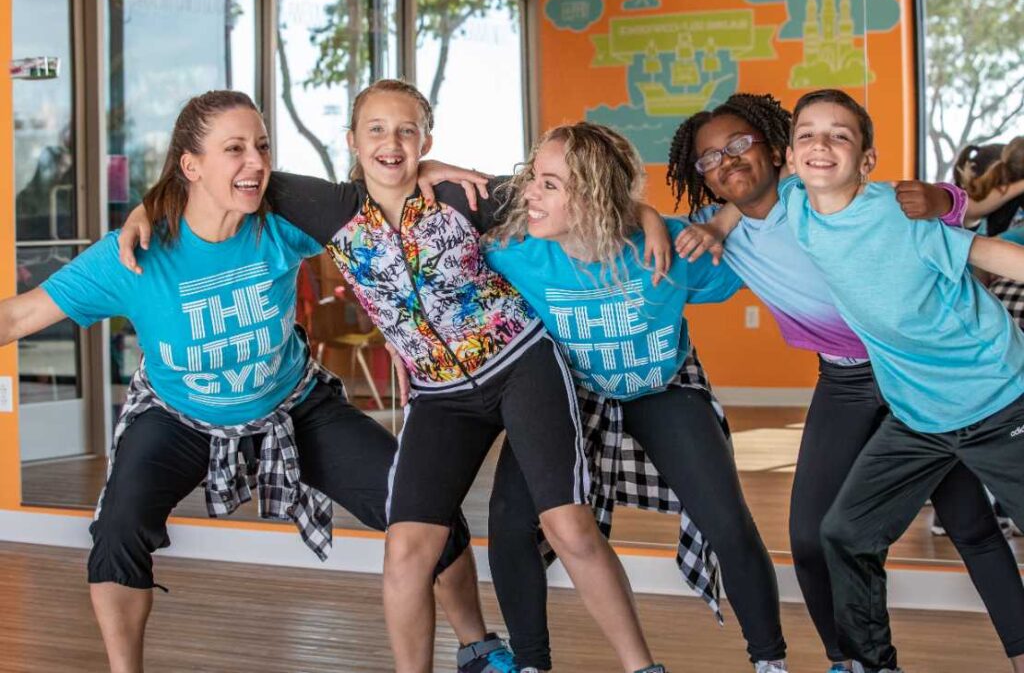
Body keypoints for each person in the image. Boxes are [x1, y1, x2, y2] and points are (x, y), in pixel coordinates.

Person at [121, 80, 671, 673]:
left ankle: (643, 667)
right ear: (352, 141)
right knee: (407, 549)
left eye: (407, 130)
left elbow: (579, 193)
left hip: (520, 367)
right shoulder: (327, 207)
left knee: (568, 526)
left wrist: (650, 219)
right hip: (439, 398)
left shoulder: (465, 195)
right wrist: (142, 211)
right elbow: (208, 179)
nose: (392, 142)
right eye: (376, 129)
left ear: (426, 139)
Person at [0, 90, 497, 673]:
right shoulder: (135, 256)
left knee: (420, 504)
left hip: (294, 404)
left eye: (261, 146)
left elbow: (377, 188)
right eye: (234, 149)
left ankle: (480, 649)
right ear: (192, 166)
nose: (256, 162)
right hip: (178, 414)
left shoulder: (281, 224)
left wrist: (425, 169)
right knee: (117, 532)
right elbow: (15, 317)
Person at [665, 92, 1024, 673]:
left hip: (927, 375)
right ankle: (851, 659)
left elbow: (941, 221)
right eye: (709, 158)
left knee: (971, 525)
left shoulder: (833, 196)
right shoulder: (720, 228)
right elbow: (656, 224)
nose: (726, 161)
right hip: (853, 380)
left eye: (738, 145)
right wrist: (721, 219)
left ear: (771, 149)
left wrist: (945, 196)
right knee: (817, 536)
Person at [477, 121, 790, 673]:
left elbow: (764, 211)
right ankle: (530, 661)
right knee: (508, 518)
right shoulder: (517, 254)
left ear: (595, 193)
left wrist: (714, 219)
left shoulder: (669, 248)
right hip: (571, 397)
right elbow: (446, 210)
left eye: (550, 184)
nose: (530, 193)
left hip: (661, 388)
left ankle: (769, 661)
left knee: (726, 520)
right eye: (534, 179)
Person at [779, 88, 1024, 673]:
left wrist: (942, 197)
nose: (820, 144)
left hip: (997, 399)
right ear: (790, 156)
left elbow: (991, 253)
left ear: (866, 160)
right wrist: (720, 224)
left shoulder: (896, 213)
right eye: (806, 134)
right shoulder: (795, 202)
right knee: (845, 533)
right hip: (918, 417)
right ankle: (872, 664)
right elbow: (745, 200)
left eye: (840, 134)